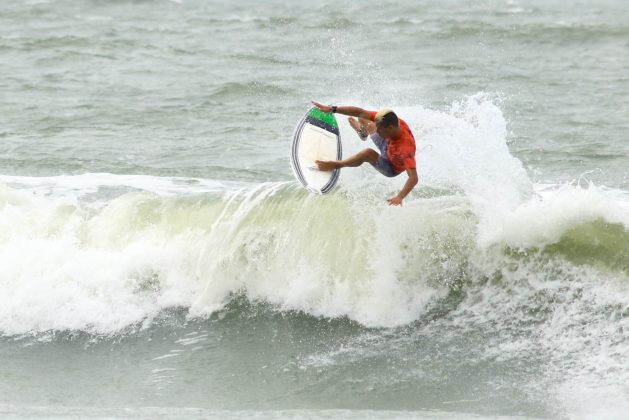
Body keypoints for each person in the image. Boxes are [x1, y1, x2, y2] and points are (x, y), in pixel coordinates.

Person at [311, 101, 418, 206]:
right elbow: (360, 112)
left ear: (390, 128)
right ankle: (363, 133)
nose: (377, 131)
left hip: (391, 166)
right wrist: (333, 109)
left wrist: (400, 197)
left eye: (379, 129)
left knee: (367, 153)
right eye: (377, 127)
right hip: (387, 143)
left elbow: (413, 178)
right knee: (363, 118)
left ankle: (336, 165)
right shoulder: (388, 123)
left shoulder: (405, 149)